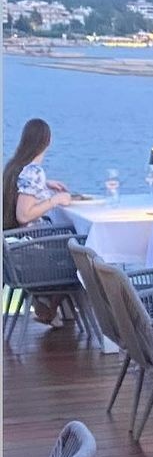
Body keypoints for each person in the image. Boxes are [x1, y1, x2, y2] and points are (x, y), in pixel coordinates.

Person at [2, 118, 73, 326]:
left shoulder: (14, 168)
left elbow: (22, 190)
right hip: (31, 250)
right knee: (81, 257)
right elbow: (24, 215)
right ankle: (49, 308)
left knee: (71, 247)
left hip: (14, 250)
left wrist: (45, 185)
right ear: (47, 141)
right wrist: (55, 200)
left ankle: (46, 303)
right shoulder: (33, 172)